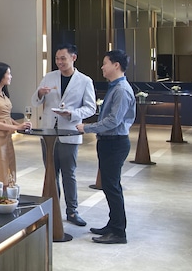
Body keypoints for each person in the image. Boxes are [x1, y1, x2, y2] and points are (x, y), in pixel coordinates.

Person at [31, 43, 97, 227]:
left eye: (63, 58)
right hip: (48, 133)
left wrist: (72, 114)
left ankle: (72, 211)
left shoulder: (85, 81)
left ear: (73, 58)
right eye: (57, 59)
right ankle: (51, 210)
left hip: (69, 132)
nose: (59, 62)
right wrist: (39, 93)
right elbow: (35, 102)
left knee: (69, 173)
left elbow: (91, 107)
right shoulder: (49, 77)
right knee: (51, 173)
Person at [76, 50, 136, 244]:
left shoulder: (121, 90)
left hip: (115, 143)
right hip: (109, 142)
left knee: (112, 187)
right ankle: (113, 224)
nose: (102, 67)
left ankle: (118, 232)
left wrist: (87, 128)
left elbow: (113, 121)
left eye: (105, 63)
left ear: (116, 65)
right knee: (110, 187)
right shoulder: (115, 87)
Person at [0, 62, 32, 189]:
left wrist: (21, 125)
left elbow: (6, 117)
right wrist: (16, 128)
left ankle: (6, 197)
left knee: (9, 170)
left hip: (6, 138)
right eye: (8, 74)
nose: (11, 76)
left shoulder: (3, 94)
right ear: (0, 76)